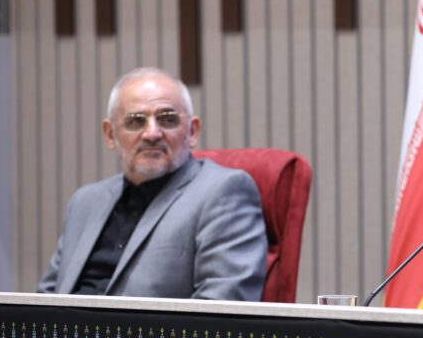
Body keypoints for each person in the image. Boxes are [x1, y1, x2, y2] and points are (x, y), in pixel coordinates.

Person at [38, 67, 267, 300]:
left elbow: (222, 305)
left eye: (167, 119)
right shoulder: (85, 202)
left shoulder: (223, 191)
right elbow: (43, 300)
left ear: (192, 131)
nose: (152, 133)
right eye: (135, 121)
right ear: (109, 134)